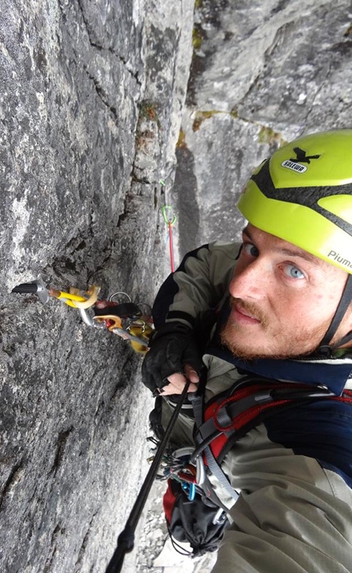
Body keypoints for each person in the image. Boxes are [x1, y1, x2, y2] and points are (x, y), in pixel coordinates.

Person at [142, 129, 352, 572]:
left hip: (217, 464)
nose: (242, 284)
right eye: (253, 246)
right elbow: (211, 263)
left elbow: (321, 535)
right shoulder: (252, 282)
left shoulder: (325, 440)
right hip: (198, 449)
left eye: (294, 269)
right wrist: (176, 329)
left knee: (193, 519)